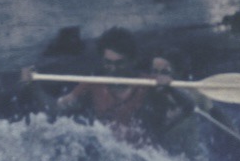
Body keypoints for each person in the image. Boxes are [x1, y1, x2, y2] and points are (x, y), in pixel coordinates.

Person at [24, 27, 154, 141]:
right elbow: (54, 110)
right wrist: (34, 86)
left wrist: (165, 84)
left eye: (120, 63)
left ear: (133, 61)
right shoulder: (93, 84)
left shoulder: (149, 84)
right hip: (111, 152)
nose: (113, 69)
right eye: (108, 63)